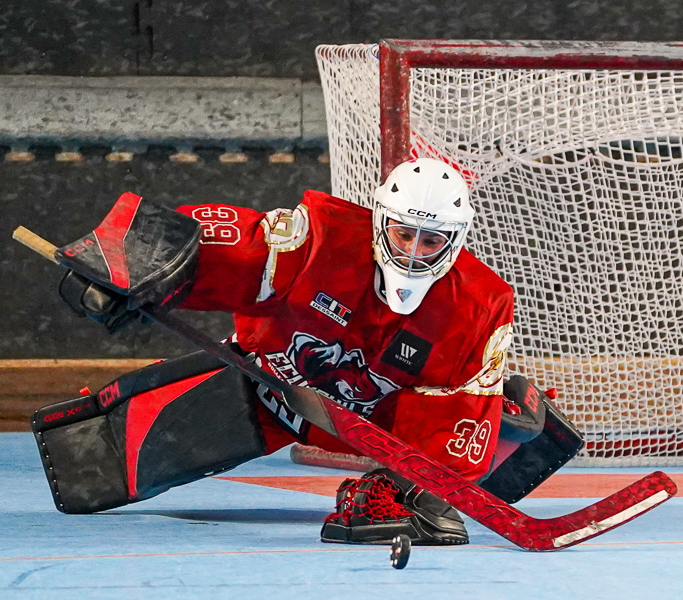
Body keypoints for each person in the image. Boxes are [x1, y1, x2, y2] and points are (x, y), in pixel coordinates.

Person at [40, 157, 516, 546]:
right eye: (403, 234)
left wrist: (413, 485)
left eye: (430, 240)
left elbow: (457, 413)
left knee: (485, 453)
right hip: (264, 394)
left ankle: (520, 420)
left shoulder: (477, 307)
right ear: (381, 222)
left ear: (456, 239)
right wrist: (123, 264)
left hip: (369, 429)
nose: (413, 252)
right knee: (90, 465)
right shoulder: (320, 239)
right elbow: (228, 242)